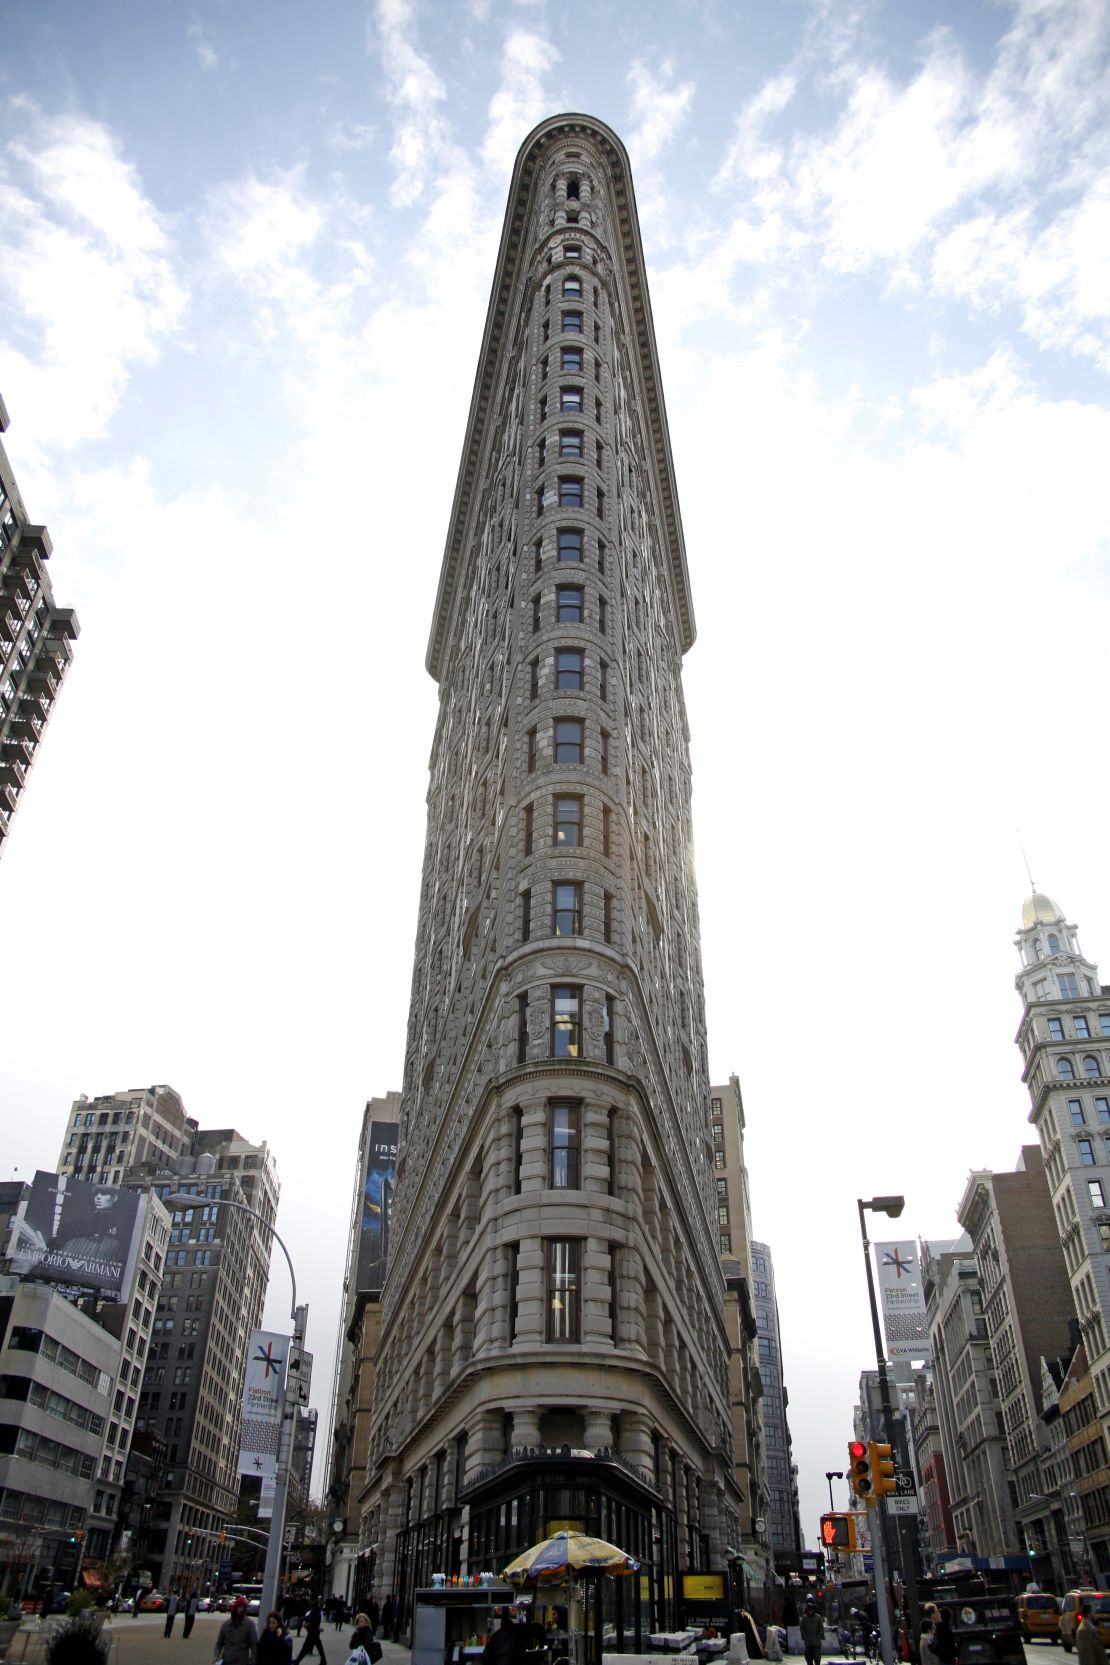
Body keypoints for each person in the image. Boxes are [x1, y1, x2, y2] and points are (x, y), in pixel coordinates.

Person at [215, 1597, 260, 1665]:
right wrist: (216, 1656)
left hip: (241, 1662)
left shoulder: (250, 1624)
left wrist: (253, 1661)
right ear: (235, 1607)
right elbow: (219, 1643)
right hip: (226, 1661)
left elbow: (254, 1644)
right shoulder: (226, 1624)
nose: (241, 1609)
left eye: (243, 1607)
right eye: (240, 1607)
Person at [294, 1598, 328, 1665]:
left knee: (305, 1647)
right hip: (314, 1631)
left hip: (313, 1631)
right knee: (318, 1646)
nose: (310, 1601)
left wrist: (304, 1619)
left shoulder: (315, 1610)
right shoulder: (317, 1609)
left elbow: (309, 1617)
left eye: (311, 1600)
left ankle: (297, 1661)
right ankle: (323, 1661)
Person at [800, 1599, 824, 1665]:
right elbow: (802, 1629)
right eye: (808, 1610)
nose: (810, 1611)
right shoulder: (804, 1618)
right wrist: (805, 1637)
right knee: (809, 1660)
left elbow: (821, 1629)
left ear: (814, 1610)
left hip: (816, 1643)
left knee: (817, 1659)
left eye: (811, 1610)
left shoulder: (818, 1618)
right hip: (808, 1643)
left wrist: (818, 1637)